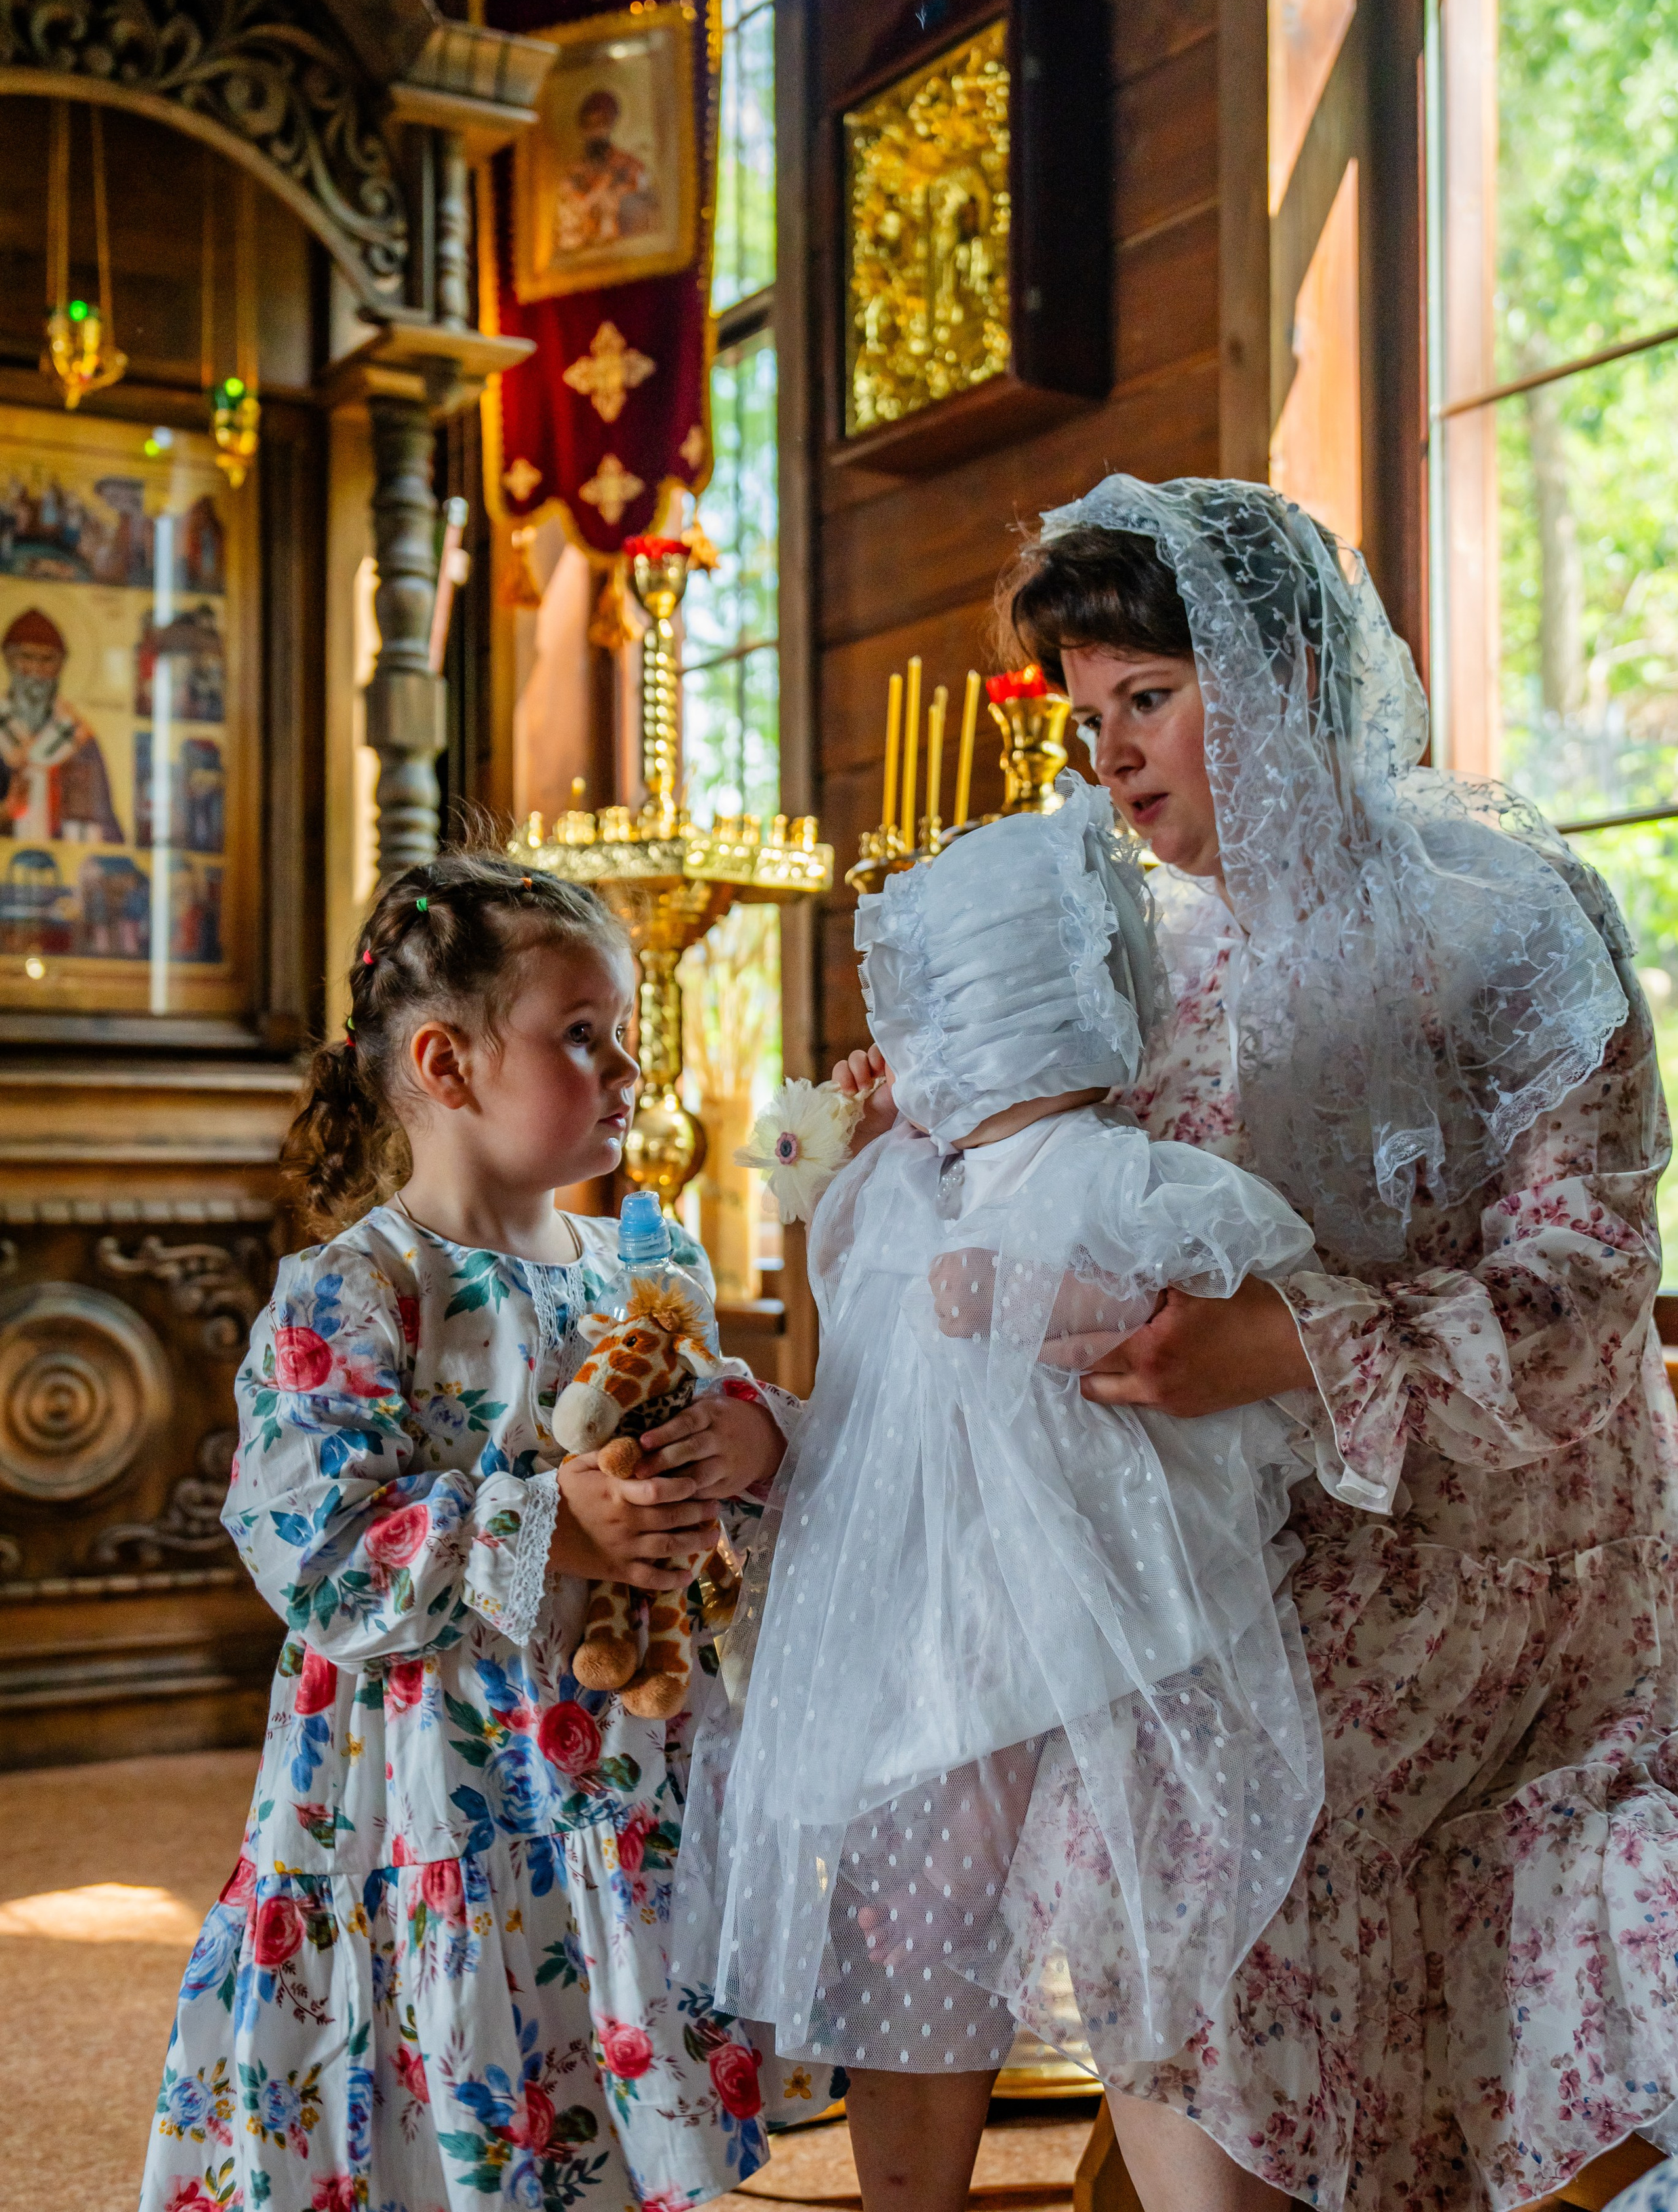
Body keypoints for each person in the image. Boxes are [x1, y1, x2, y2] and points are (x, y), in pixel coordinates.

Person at [951, 473, 1677, 2212]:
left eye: (1150, 699)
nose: (1113, 760)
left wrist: (1284, 1346)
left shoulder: (1504, 919)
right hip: (1259, 1525)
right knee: (1006, 1718)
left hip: (1513, 1542)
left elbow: (1585, 1314)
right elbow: (1139, 1252)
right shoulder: (1167, 974)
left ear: (1279, 672)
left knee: (1189, 1788)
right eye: (1086, 719)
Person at [138, 850, 836, 2212]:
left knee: (612, 2081)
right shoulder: (355, 1288)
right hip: (433, 1781)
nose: (626, 1064)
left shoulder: (650, 1261)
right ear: (446, 1063)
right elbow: (312, 1542)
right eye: (582, 1034)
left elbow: (726, 1430)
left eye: (623, 1030)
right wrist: (547, 1525)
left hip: (628, 1759)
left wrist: (752, 1437)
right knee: (461, 2098)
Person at [674, 777, 1330, 2212]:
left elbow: (1255, 1339)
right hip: (927, 1612)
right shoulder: (885, 1196)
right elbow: (857, 1409)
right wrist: (775, 1442)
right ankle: (911, 2191)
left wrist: (1057, 1292)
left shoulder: (1135, 1179)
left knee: (1149, 1932)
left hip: (1109, 1609)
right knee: (911, 1912)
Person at [0, 604, 121, 841]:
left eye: (47, 660)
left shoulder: (80, 740)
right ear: (9, 661)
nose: (35, 670)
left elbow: (105, 823)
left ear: (60, 667)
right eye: (26, 657)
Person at [554, 87, 659, 254]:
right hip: (586, 256)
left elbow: (645, 208)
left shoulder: (631, 166)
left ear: (611, 125)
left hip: (626, 254)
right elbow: (567, 220)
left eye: (601, 123)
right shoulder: (573, 174)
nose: (595, 131)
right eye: (589, 125)